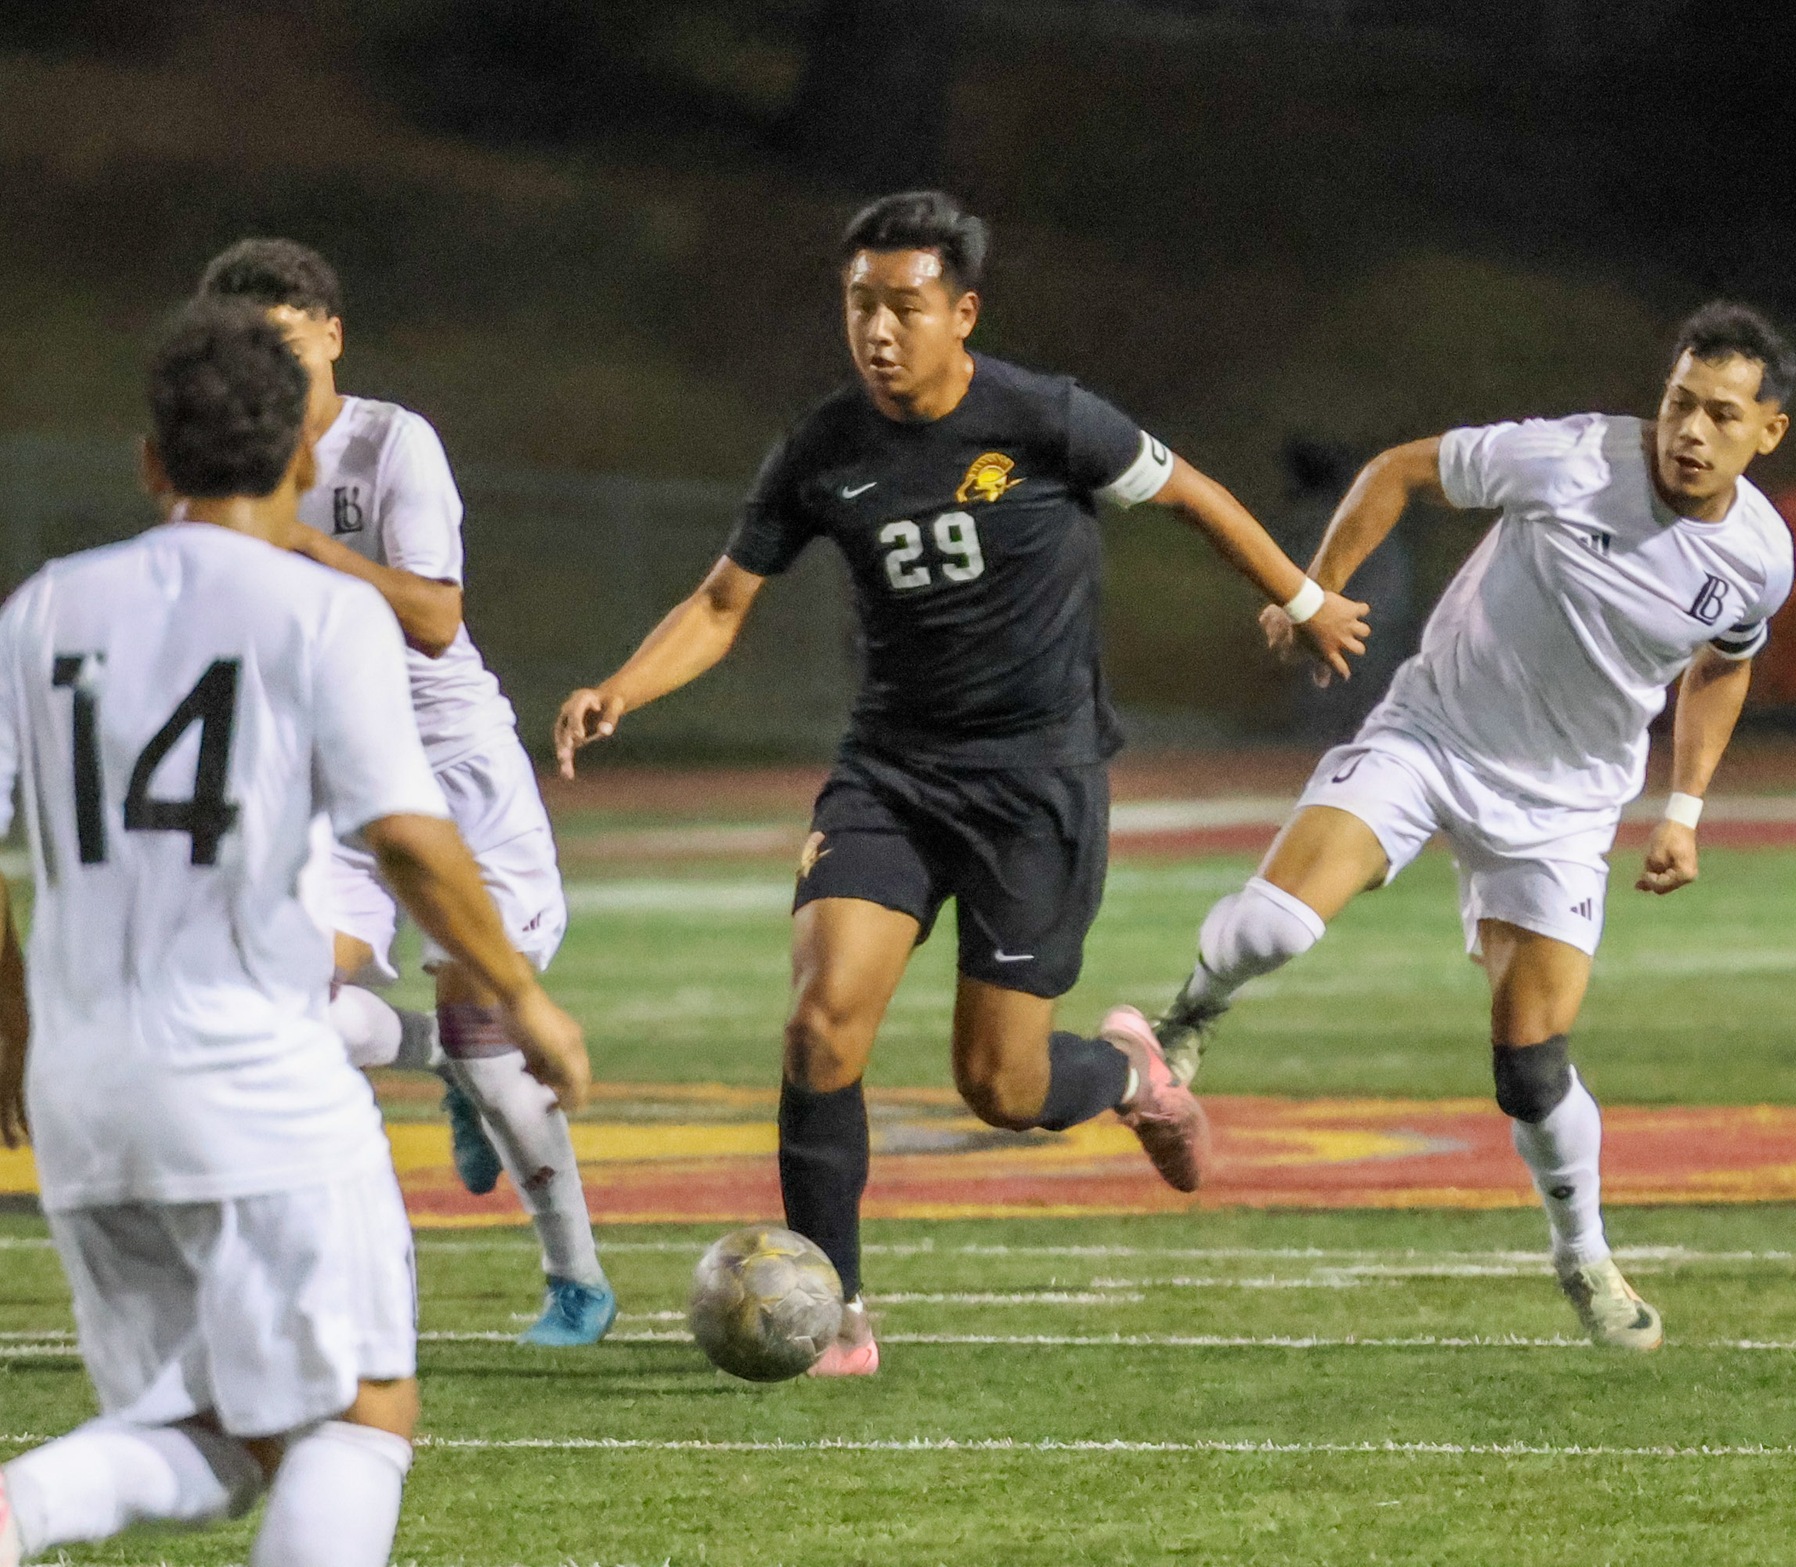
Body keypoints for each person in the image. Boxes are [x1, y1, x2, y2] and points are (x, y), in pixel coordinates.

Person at [554, 190, 1369, 1375]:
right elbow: (725, 600)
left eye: (904, 306)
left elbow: (1188, 493)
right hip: (889, 774)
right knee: (820, 1023)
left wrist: (1300, 601)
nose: (878, 330)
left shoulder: (1046, 420)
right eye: (858, 306)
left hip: (1036, 785)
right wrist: (623, 686)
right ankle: (835, 1313)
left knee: (1001, 1083)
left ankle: (1133, 1072)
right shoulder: (823, 449)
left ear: (961, 311)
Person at [0, 301, 588, 1567]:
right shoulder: (320, 614)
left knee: (210, 1442)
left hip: (86, 1089)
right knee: (360, 1419)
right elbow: (411, 838)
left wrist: (14, 1026)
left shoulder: (41, 612)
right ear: (304, 464)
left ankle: (16, 1512)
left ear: (152, 462)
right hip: (253, 1070)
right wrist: (523, 1000)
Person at [1150, 302, 1796, 1350]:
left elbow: (1726, 659)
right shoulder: (1570, 457)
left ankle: (1581, 1254)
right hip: (1430, 735)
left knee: (1531, 1069)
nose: (1687, 430)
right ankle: (1190, 1010)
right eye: (1679, 401)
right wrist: (1316, 592)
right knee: (1273, 928)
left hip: (1564, 807)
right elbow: (1400, 469)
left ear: (1765, 434)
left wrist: (1681, 807)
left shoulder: (1759, 557)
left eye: (1720, 416)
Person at [197, 239, 615, 1339]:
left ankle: (576, 1278)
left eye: (286, 342)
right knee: (278, 1011)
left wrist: (293, 543)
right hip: (324, 773)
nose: (270, 370)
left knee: (488, 1022)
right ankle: (437, 1059)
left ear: (331, 336)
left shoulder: (392, 444)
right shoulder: (226, 468)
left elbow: (434, 619)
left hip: (447, 764)